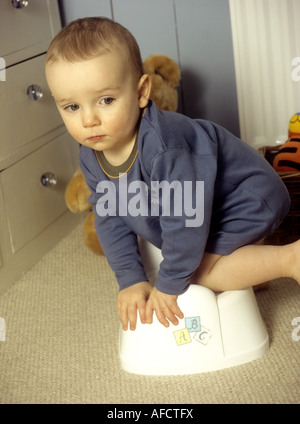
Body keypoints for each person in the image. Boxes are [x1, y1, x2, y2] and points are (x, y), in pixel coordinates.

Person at [45, 17, 299, 332]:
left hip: (246, 196)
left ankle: (291, 258)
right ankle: (249, 272)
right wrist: (131, 280)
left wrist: (169, 283)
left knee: (197, 273)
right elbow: (109, 218)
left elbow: (185, 221)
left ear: (141, 93)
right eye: (71, 107)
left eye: (106, 100)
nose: (88, 120)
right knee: (182, 255)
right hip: (205, 207)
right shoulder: (91, 156)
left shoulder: (164, 147)